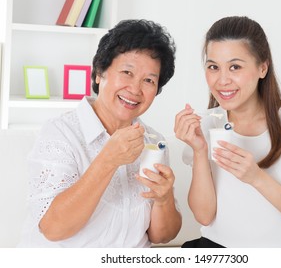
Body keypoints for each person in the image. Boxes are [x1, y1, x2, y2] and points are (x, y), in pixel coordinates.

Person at [18, 19, 181, 247]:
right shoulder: (60, 134)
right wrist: (108, 160)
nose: (135, 89)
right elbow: (53, 228)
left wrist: (164, 199)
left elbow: (162, 236)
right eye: (127, 72)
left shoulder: (154, 143)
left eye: (149, 80)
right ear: (99, 72)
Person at [174, 16, 281, 248]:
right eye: (213, 67)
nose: (222, 80)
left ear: (262, 68)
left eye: (235, 67)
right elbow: (204, 216)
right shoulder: (206, 124)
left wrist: (256, 177)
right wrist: (199, 150)